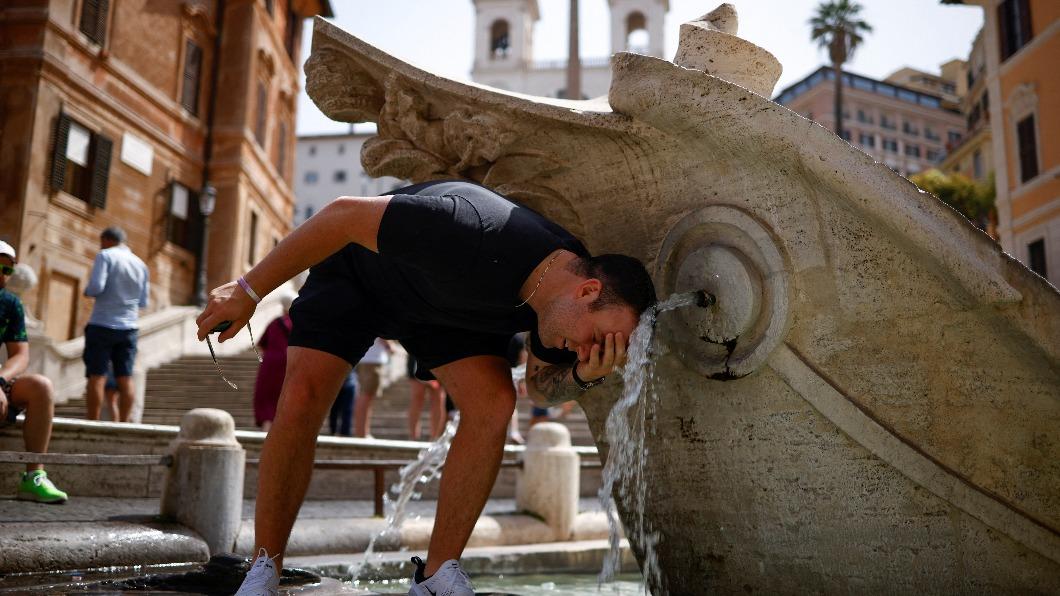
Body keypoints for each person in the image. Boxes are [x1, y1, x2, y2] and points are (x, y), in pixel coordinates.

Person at [197, 180, 655, 596]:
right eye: (598, 339)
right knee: (303, 395)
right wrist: (248, 290)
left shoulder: (559, 314)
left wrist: (582, 376)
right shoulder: (473, 228)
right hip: (364, 276)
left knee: (494, 404)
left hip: (451, 314)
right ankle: (265, 569)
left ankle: (437, 576)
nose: (588, 350)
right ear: (587, 290)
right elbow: (340, 215)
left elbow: (537, 391)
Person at [0, 241, 68, 503]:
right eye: (0, 266)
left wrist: (1, 381)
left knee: (41, 386)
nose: (4, 274)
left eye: (9, 269)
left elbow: (20, 354)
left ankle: (34, 477)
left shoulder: (10, 303)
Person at [82, 227, 149, 422]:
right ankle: (124, 424)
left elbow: (96, 287)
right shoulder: (141, 264)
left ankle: (91, 422)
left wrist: (87, 291)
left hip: (102, 323)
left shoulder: (105, 256)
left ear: (106, 240)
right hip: (129, 327)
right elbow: (143, 301)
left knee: (97, 375)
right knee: (125, 377)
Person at [253, 294, 294, 432]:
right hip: (289, 363)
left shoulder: (275, 323)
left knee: (267, 399)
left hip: (270, 364)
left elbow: (261, 343)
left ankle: (266, 429)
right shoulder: (298, 323)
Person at [352, 337, 391, 438]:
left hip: (368, 359)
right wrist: (390, 346)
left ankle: (362, 432)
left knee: (366, 397)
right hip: (372, 360)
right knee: (366, 397)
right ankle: (362, 433)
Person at [406, 354, 447, 441]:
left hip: (440, 357)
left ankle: (435, 438)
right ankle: (413, 437)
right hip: (418, 355)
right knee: (417, 397)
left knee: (438, 398)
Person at [328, 370, 357, 437]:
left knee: (346, 410)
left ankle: (344, 432)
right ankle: (335, 431)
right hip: (339, 383)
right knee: (335, 410)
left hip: (348, 383)